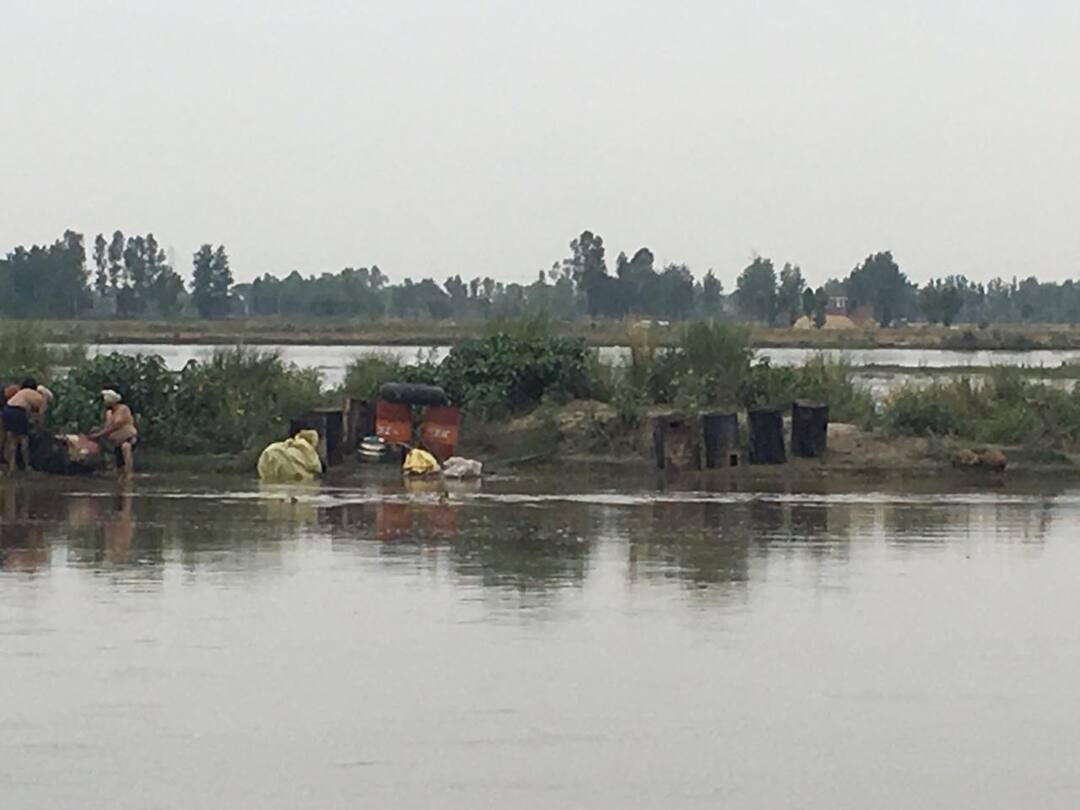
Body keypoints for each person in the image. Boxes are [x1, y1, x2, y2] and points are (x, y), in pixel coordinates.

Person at [2, 378, 51, 474]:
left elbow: (27, 410)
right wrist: (40, 428)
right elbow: (41, 416)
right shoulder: (42, 399)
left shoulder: (24, 392)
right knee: (24, 439)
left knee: (12, 439)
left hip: (7, 409)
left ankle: (12, 467)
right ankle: (27, 466)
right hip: (18, 412)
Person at [89, 389, 138, 480]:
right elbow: (107, 427)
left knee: (126, 447)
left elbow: (116, 425)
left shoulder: (123, 409)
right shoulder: (109, 413)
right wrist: (97, 432)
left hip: (129, 437)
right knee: (119, 467)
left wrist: (100, 434)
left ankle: (129, 475)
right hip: (116, 441)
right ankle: (122, 481)